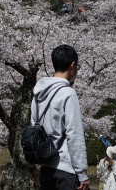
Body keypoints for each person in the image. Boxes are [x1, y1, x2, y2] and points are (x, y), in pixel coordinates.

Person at [31, 44, 89, 190]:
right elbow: (74, 134)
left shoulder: (38, 94)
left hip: (45, 167)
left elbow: (34, 128)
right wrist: (82, 173)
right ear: (73, 65)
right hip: (65, 169)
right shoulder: (68, 94)